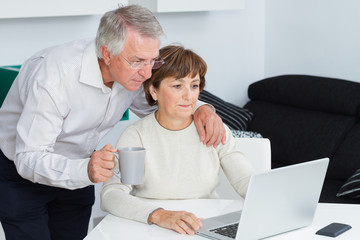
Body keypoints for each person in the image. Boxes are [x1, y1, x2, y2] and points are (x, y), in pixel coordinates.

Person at [0, 5, 225, 240]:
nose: (147, 74)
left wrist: (203, 109)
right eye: (138, 61)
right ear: (107, 54)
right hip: (21, 172)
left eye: (152, 62)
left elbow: (158, 104)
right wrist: (86, 169)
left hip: (79, 171)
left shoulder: (131, 70)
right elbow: (29, 159)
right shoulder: (55, 76)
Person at [101, 45, 255, 235]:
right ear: (153, 91)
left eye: (194, 86)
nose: (188, 96)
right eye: (177, 86)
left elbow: (247, 181)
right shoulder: (137, 136)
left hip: (203, 226)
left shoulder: (212, 129)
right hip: (152, 228)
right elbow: (112, 194)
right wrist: (159, 215)